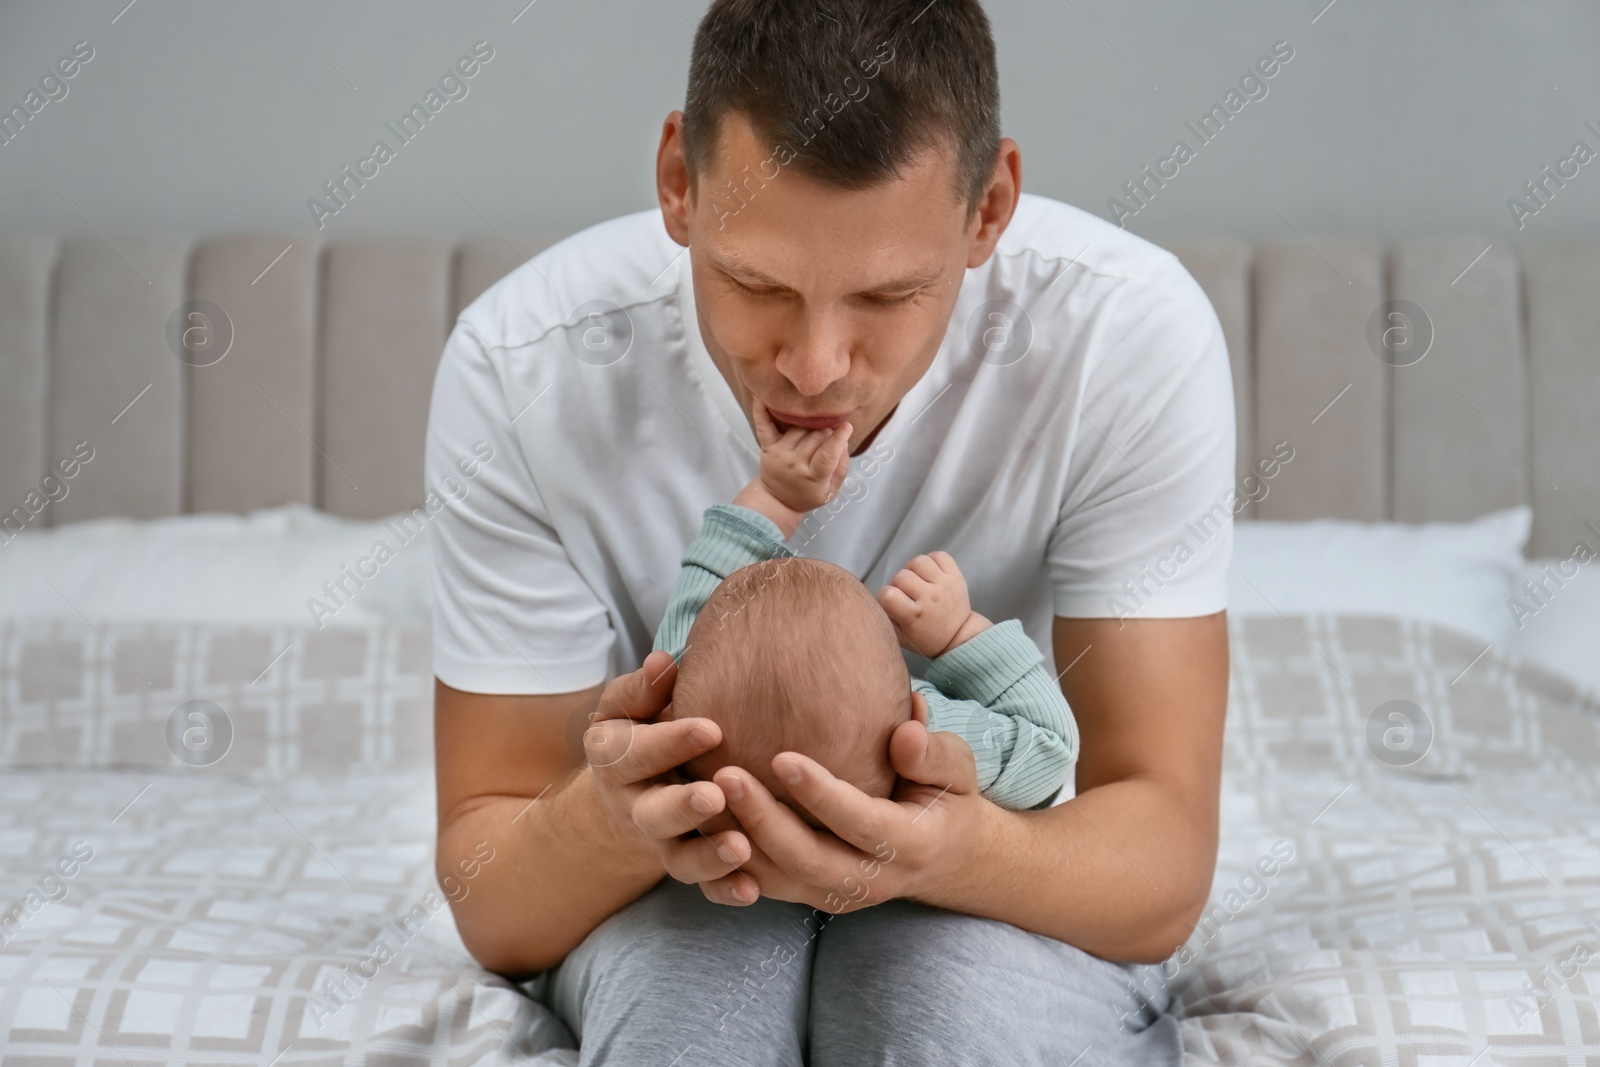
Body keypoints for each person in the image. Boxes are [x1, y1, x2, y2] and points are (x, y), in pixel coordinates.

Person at [425, 0, 1234, 1062]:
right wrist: (610, 821)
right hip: (672, 879)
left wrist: (947, 853)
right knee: (689, 1025)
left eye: (888, 294)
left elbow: (1161, 860)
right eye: (753, 282)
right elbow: (497, 903)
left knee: (942, 1008)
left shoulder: (1124, 339)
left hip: (998, 857)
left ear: (989, 208)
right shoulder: (522, 367)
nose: (813, 366)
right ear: (679, 181)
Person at [650, 395, 1078, 820]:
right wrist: (958, 636)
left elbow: (705, 584)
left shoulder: (679, 715)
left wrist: (774, 497)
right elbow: (1049, 748)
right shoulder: (914, 740)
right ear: (916, 704)